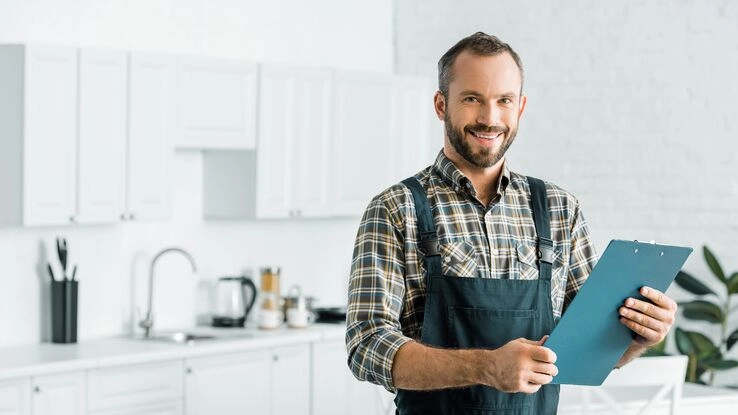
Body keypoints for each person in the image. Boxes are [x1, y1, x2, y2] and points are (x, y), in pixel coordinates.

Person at [345, 32, 677, 415]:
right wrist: (486, 366)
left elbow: (585, 349)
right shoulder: (395, 208)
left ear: (520, 107)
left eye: (503, 100)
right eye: (472, 99)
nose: (490, 118)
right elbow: (366, 346)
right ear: (441, 105)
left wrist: (638, 337)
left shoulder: (559, 208)